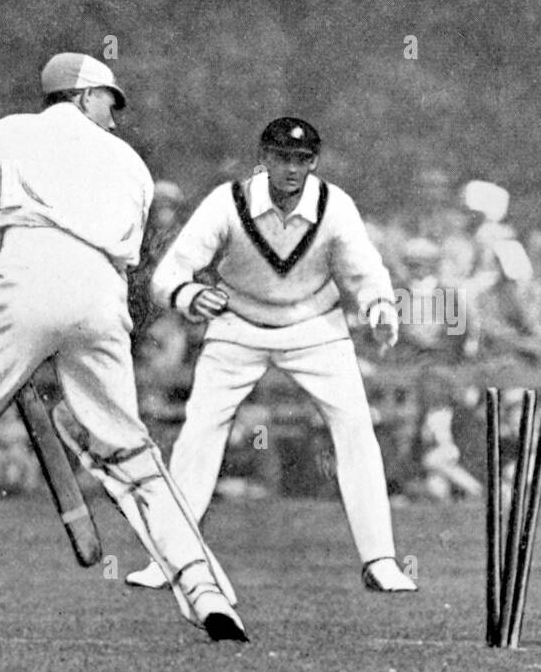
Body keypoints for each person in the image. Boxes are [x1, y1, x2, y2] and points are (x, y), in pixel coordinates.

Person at [0, 52, 247, 641]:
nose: (115, 120)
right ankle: (205, 590)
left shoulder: (13, 132)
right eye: (110, 104)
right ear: (85, 96)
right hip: (103, 300)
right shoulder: (135, 166)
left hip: (30, 277)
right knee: (129, 453)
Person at [131, 117, 417, 592]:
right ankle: (169, 560)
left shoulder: (334, 205)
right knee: (200, 431)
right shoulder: (228, 202)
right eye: (282, 158)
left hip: (316, 327)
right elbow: (168, 276)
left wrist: (380, 307)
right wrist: (188, 296)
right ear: (262, 159)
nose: (291, 169)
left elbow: (365, 268)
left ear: (315, 163)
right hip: (236, 325)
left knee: (355, 429)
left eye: (302, 160)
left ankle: (380, 560)